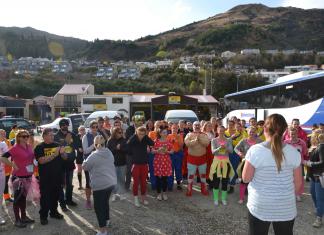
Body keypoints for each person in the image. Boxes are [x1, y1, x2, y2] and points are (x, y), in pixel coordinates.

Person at [242, 114, 302, 235]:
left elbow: (246, 178)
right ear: (285, 130)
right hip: (286, 207)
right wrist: (284, 195)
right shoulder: (294, 152)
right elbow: (298, 183)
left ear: (264, 129)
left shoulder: (255, 150)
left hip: (260, 205)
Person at [83, 135, 117, 235]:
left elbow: (85, 167)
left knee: (98, 207)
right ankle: (107, 220)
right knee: (105, 202)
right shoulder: (109, 152)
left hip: (100, 185)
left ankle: (103, 230)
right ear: (104, 143)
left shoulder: (93, 155)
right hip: (110, 182)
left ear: (95, 144)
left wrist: (85, 160)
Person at [1, 130, 36, 228]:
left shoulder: (29, 146)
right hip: (18, 178)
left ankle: (24, 217)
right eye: (24, 136)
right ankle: (17, 220)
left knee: (23, 198)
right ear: (19, 137)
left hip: (28, 176)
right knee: (17, 199)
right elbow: (3, 158)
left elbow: (32, 157)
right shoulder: (15, 148)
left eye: (27, 136)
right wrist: (12, 165)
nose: (26, 138)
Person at [34, 128, 65, 225]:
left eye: (53, 135)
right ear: (44, 136)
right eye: (50, 135)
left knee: (55, 196)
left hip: (57, 176)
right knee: (45, 198)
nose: (52, 136)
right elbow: (41, 160)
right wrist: (55, 154)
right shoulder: (39, 147)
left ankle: (54, 212)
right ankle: (43, 216)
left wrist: (63, 153)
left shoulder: (57, 145)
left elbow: (65, 158)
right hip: (45, 177)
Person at [54, 119, 78, 211]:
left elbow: (77, 145)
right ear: (60, 126)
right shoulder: (56, 136)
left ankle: (69, 200)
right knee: (61, 184)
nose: (65, 126)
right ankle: (62, 203)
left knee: (69, 183)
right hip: (60, 164)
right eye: (63, 125)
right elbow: (56, 147)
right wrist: (66, 141)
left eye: (66, 125)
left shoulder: (72, 134)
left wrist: (71, 142)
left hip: (70, 163)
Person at [127, 126, 154, 207]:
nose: (141, 135)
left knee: (143, 182)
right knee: (136, 182)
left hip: (144, 164)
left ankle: (143, 198)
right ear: (136, 133)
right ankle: (135, 199)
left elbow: (152, 143)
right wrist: (135, 135)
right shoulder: (134, 139)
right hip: (135, 164)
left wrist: (146, 136)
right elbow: (127, 145)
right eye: (139, 134)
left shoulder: (145, 138)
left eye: (143, 134)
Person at [234, 126, 261, 204]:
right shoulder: (244, 140)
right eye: (250, 132)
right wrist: (240, 153)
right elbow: (236, 148)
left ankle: (254, 199)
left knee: (255, 182)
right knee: (244, 181)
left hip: (257, 164)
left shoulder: (260, 141)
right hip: (246, 163)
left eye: (253, 132)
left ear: (256, 132)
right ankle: (241, 198)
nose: (252, 133)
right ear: (247, 132)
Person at [184, 121, 210, 196]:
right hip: (192, 159)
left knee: (203, 175)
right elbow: (187, 143)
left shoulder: (204, 135)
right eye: (195, 125)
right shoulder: (189, 134)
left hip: (202, 159)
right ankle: (189, 190)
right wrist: (195, 140)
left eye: (198, 125)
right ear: (193, 126)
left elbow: (206, 143)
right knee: (191, 175)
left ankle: (203, 189)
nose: (197, 126)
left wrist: (200, 139)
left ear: (200, 126)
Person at [210, 126, 234, 206]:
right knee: (216, 181)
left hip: (226, 162)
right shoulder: (213, 140)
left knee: (225, 181)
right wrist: (219, 148)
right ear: (217, 131)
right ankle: (216, 199)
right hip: (216, 162)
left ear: (224, 131)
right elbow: (213, 152)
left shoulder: (228, 140)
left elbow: (231, 151)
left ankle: (223, 199)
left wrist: (226, 148)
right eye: (220, 131)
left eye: (223, 131)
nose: (221, 132)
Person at [304, 133, 324, 228]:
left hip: (319, 176)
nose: (310, 139)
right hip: (313, 176)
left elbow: (322, 163)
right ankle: (319, 210)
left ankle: (319, 218)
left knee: (320, 197)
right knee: (313, 193)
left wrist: (309, 163)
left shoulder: (321, 147)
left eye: (312, 137)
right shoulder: (315, 147)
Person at [284, 127, 308, 202]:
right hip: (287, 165)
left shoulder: (302, 142)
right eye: (291, 134)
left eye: (294, 134)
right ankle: (289, 194)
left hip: (299, 164)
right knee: (288, 179)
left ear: (297, 134)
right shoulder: (285, 142)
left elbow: (304, 152)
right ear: (289, 134)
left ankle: (297, 194)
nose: (293, 135)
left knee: (299, 180)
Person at [152, 128, 173, 200]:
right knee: (158, 178)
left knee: (165, 178)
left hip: (166, 162)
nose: (165, 134)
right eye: (163, 132)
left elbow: (172, 151)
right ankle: (158, 194)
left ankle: (164, 193)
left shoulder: (168, 141)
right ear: (160, 133)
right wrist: (158, 150)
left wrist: (167, 151)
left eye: (166, 132)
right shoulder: (155, 141)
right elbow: (152, 151)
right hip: (158, 162)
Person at [82, 120, 99, 209]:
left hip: (98, 163)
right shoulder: (85, 136)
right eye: (93, 127)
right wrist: (94, 144)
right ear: (90, 127)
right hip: (88, 162)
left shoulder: (99, 135)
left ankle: (97, 200)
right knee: (89, 183)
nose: (95, 129)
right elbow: (85, 151)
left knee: (97, 182)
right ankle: (88, 200)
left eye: (96, 127)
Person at [107, 127, 127, 201]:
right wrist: (116, 148)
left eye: (122, 132)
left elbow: (127, 150)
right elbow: (108, 152)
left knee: (121, 179)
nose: (121, 134)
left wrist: (120, 148)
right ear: (114, 133)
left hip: (122, 163)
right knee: (114, 180)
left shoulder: (124, 140)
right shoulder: (110, 141)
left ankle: (121, 194)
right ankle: (114, 194)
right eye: (119, 132)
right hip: (113, 164)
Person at [167, 123, 184, 190]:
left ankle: (178, 183)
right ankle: (170, 185)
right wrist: (172, 142)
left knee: (178, 169)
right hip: (170, 154)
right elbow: (167, 146)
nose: (174, 129)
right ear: (171, 129)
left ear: (178, 129)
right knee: (170, 169)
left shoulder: (180, 136)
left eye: (176, 128)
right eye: (173, 128)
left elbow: (181, 146)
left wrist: (177, 141)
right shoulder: (168, 136)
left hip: (178, 154)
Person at [0, 129, 13, 202]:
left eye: (4, 133)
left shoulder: (7, 141)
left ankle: (6, 197)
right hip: (2, 166)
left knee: (6, 182)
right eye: (1, 134)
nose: (3, 135)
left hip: (8, 166)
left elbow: (11, 151)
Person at [76, 125, 86, 190]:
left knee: (86, 170)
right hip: (79, 155)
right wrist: (78, 148)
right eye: (81, 130)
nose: (82, 131)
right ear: (79, 131)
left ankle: (88, 184)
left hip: (86, 155)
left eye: (83, 129)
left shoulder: (87, 136)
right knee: (79, 170)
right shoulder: (76, 137)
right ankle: (80, 185)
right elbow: (74, 145)